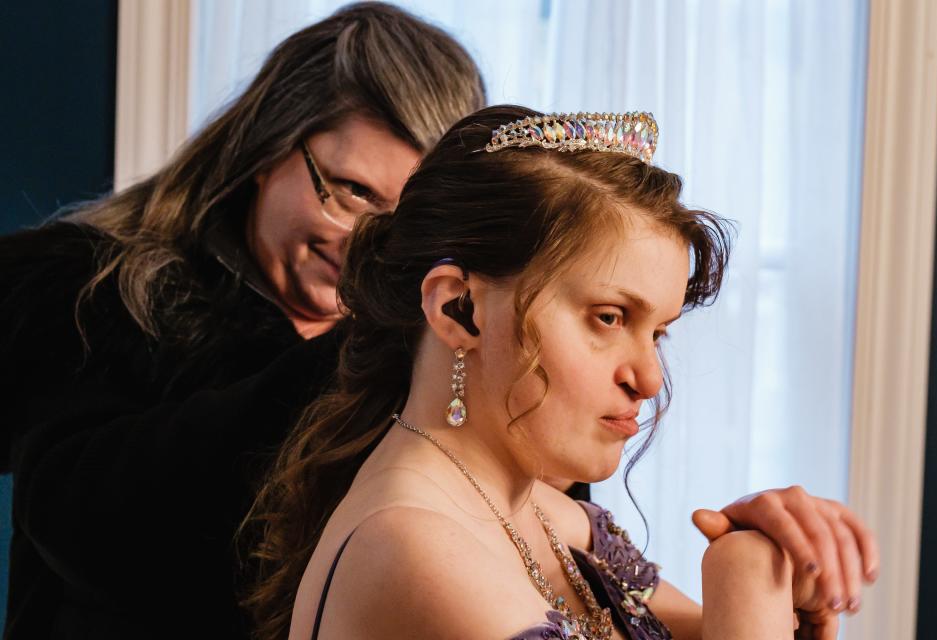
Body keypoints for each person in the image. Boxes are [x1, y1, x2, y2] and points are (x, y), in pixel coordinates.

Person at [245, 105, 878, 640]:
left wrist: (782, 577)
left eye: (656, 332)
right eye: (607, 317)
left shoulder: (550, 517)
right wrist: (746, 563)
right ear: (457, 308)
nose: (649, 379)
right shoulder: (414, 548)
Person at [0, 4, 485, 638]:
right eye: (351, 192)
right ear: (268, 148)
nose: (369, 244)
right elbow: (90, 530)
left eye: (407, 220)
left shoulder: (443, 354)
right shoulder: (104, 299)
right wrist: (339, 365)